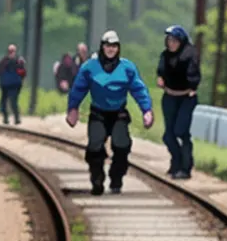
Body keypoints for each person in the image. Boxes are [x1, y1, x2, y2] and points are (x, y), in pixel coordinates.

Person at [65, 30, 154, 196]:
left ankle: (116, 178)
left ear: (118, 48)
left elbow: (138, 89)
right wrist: (73, 109)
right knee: (95, 147)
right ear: (102, 47)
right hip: (98, 113)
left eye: (114, 46)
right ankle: (97, 179)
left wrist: (146, 110)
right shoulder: (90, 67)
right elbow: (78, 89)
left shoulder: (127, 67)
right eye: (108, 45)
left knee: (122, 146)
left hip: (118, 113)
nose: (111, 49)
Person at [157, 25, 202, 179]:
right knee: (168, 135)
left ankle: (186, 166)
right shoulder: (165, 55)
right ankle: (176, 161)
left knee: (181, 131)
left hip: (186, 97)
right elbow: (161, 71)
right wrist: (161, 79)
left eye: (175, 41)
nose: (172, 44)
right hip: (169, 96)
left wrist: (193, 86)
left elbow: (194, 73)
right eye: (169, 40)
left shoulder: (190, 54)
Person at [0, 45, 26, 125]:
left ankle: (15, 118)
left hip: (12, 85)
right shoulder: (9, 61)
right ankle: (8, 118)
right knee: (7, 102)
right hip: (8, 85)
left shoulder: (17, 61)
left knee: (11, 102)